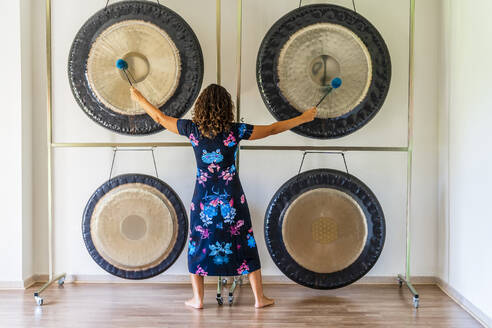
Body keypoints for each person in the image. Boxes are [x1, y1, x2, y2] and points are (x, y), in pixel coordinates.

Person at [130, 84, 316, 309]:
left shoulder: (192, 129)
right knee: (244, 241)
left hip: (202, 199)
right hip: (232, 199)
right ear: (227, 108)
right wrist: (303, 118)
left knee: (198, 242)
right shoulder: (236, 131)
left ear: (200, 108)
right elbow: (273, 129)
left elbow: (159, 117)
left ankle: (198, 299)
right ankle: (259, 299)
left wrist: (139, 97)